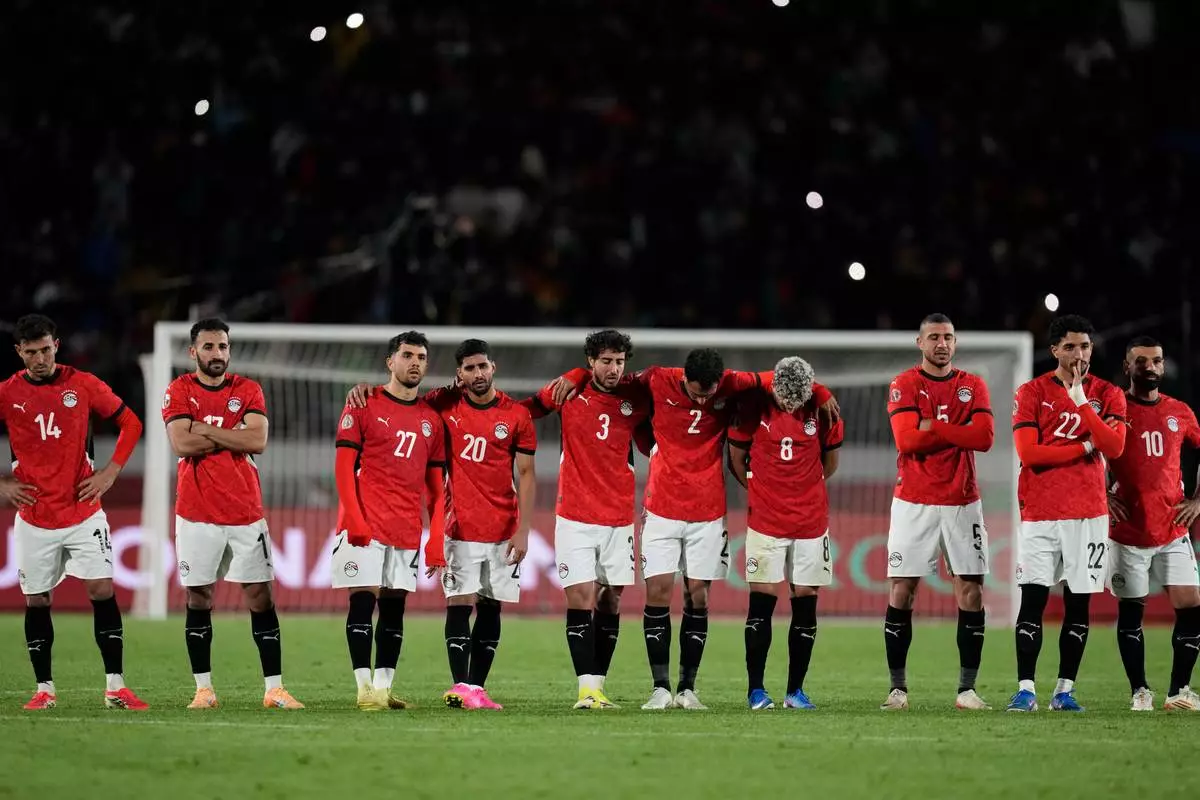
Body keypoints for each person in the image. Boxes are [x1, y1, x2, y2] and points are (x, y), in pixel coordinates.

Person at [550, 350, 838, 710]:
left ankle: (688, 688)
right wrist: (578, 372)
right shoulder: (657, 378)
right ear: (683, 378)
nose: (703, 400)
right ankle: (660, 688)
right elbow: (610, 379)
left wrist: (821, 390)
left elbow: (781, 378)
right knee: (658, 590)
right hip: (661, 507)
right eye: (697, 392)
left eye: (710, 394)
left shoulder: (733, 383)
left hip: (707, 512)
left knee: (697, 596)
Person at [349, 339, 536, 710]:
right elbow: (399, 398)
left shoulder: (516, 415)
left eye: (483, 366)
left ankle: (476, 689)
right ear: (459, 374)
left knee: (492, 606)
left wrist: (524, 528)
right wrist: (365, 390)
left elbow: (527, 473)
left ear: (493, 367)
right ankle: (460, 684)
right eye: (470, 368)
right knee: (459, 604)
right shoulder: (441, 406)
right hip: (458, 526)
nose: (478, 373)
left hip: (503, 528)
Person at [0, 314, 147, 710]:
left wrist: (111, 472)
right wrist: (2, 485)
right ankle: (44, 690)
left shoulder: (81, 384)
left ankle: (116, 686)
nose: (39, 359)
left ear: (56, 345)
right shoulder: (6, 392)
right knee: (37, 601)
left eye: (45, 349)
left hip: (84, 511)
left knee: (102, 589)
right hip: (34, 516)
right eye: (30, 352)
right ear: (19, 352)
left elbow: (131, 423)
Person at [163, 318, 303, 709]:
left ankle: (274, 689)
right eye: (208, 347)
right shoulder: (179, 389)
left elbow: (257, 439)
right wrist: (231, 433)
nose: (217, 354)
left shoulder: (248, 389)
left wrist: (205, 429)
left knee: (261, 597)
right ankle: (204, 690)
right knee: (199, 597)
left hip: (245, 512)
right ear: (194, 352)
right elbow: (180, 443)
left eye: (223, 346)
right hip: (196, 511)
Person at [524, 329, 651, 710]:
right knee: (580, 598)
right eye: (606, 361)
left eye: (619, 361)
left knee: (610, 600)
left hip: (618, 519)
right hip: (575, 515)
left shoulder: (636, 398)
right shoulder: (569, 391)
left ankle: (598, 685)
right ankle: (585, 689)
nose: (614, 369)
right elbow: (524, 409)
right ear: (591, 362)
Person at [1007, 314, 1127, 712]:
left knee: (1079, 604)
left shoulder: (1108, 394)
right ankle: (1026, 689)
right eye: (1071, 347)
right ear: (1055, 350)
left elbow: (1113, 446)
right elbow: (1029, 453)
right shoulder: (1031, 392)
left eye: (1086, 346)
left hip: (1088, 514)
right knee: (1032, 601)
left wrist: (1080, 404)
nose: (1080, 355)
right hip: (1041, 512)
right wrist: (1081, 448)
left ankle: (1064, 690)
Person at [881, 313, 995, 711]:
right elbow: (907, 440)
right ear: (920, 343)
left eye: (947, 337)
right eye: (933, 337)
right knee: (902, 590)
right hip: (913, 501)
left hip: (963, 501)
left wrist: (933, 425)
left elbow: (984, 438)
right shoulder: (904, 384)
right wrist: (952, 429)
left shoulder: (973, 384)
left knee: (971, 591)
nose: (941, 344)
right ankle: (898, 690)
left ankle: (967, 690)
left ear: (955, 342)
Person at [332, 331, 446, 710]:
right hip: (365, 524)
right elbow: (344, 467)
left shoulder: (431, 419)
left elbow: (436, 487)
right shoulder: (362, 404)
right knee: (362, 603)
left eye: (421, 357)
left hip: (406, 527)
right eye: (407, 355)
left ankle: (382, 689)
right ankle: (363, 688)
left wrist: (436, 536)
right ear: (390, 361)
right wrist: (353, 517)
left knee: (395, 609)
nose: (415, 362)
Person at [728, 356, 842, 710]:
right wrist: (761, 490)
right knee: (761, 602)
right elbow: (735, 459)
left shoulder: (824, 410)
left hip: (810, 522)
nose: (790, 405)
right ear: (773, 388)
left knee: (806, 604)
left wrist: (802, 490)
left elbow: (830, 464)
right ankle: (756, 691)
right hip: (765, 521)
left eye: (797, 401)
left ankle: (795, 691)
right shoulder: (751, 406)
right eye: (783, 400)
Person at [1106, 336, 1200, 711]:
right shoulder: (1113, 408)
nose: (1150, 367)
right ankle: (1139, 691)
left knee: (1191, 605)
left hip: (1173, 528)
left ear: (1163, 366)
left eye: (1156, 361)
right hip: (1128, 532)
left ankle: (1178, 691)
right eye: (1141, 361)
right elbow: (1089, 448)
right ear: (1127, 367)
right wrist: (1103, 493)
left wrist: (1197, 499)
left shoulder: (1180, 411)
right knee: (1132, 610)